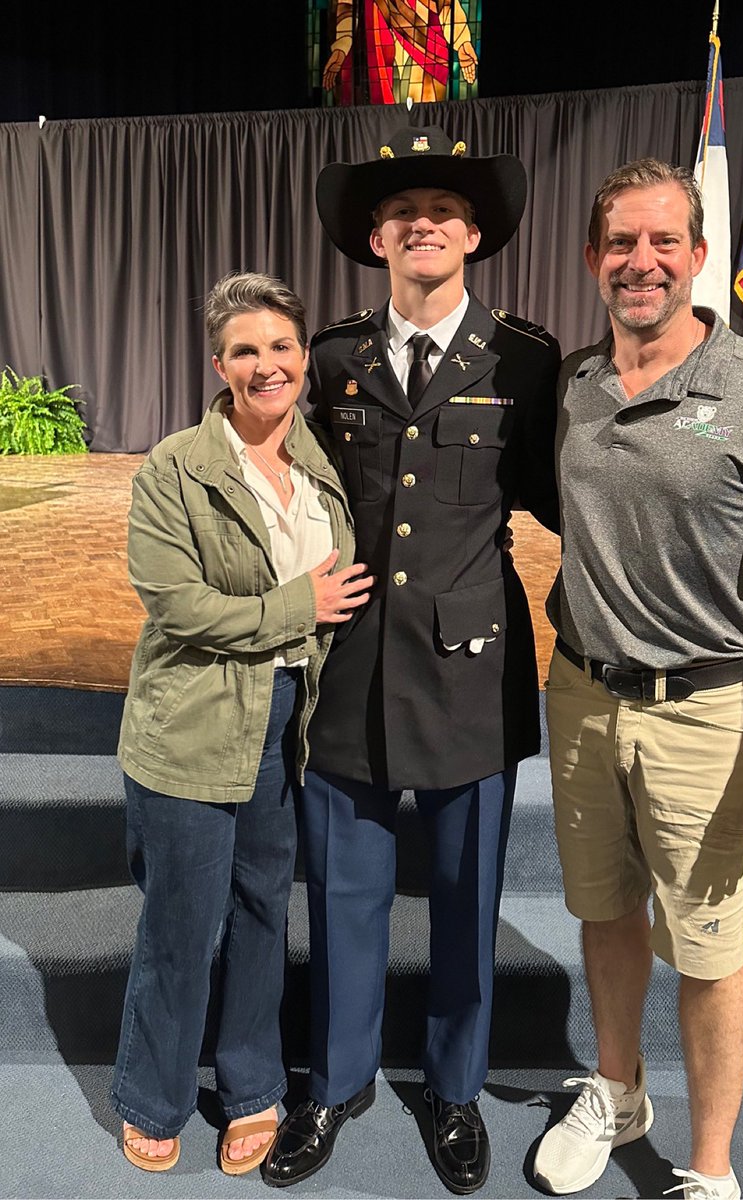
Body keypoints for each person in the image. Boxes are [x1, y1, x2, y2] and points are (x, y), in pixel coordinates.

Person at [533, 158, 743, 1200]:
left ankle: (710, 1171)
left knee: (710, 947)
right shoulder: (575, 387)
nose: (642, 262)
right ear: (592, 258)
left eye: (664, 241)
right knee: (606, 907)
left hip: (704, 710)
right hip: (579, 696)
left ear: (700, 256)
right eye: (621, 242)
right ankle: (618, 1090)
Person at [262, 125, 559, 1194]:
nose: (422, 221)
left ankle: (455, 1087)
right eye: (402, 212)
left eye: (443, 209)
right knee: (342, 892)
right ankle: (335, 1084)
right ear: (375, 239)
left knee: (467, 898)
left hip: (471, 672)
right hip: (349, 664)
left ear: (474, 235)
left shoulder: (524, 360)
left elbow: (566, 501)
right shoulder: (330, 359)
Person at [111, 271, 372, 1174]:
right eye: (246, 350)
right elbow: (175, 604)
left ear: (305, 356)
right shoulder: (176, 465)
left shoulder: (321, 459)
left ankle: (254, 1086)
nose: (268, 366)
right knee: (183, 920)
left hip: (288, 720)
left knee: (265, 908)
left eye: (282, 347)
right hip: (192, 723)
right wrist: (297, 604)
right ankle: (154, 1093)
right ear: (218, 363)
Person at [323, 0, 478, 105]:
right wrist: (341, 46)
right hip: (376, 49)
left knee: (428, 122)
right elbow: (348, 6)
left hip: (428, 46)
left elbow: (446, 5)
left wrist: (462, 41)